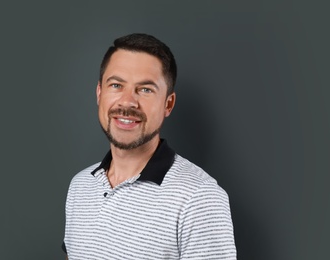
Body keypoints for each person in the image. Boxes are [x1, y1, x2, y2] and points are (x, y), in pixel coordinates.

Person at [62, 33, 236, 259]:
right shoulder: (80, 186)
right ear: (99, 93)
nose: (127, 101)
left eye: (145, 89)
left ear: (168, 104)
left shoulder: (199, 197)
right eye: (116, 85)